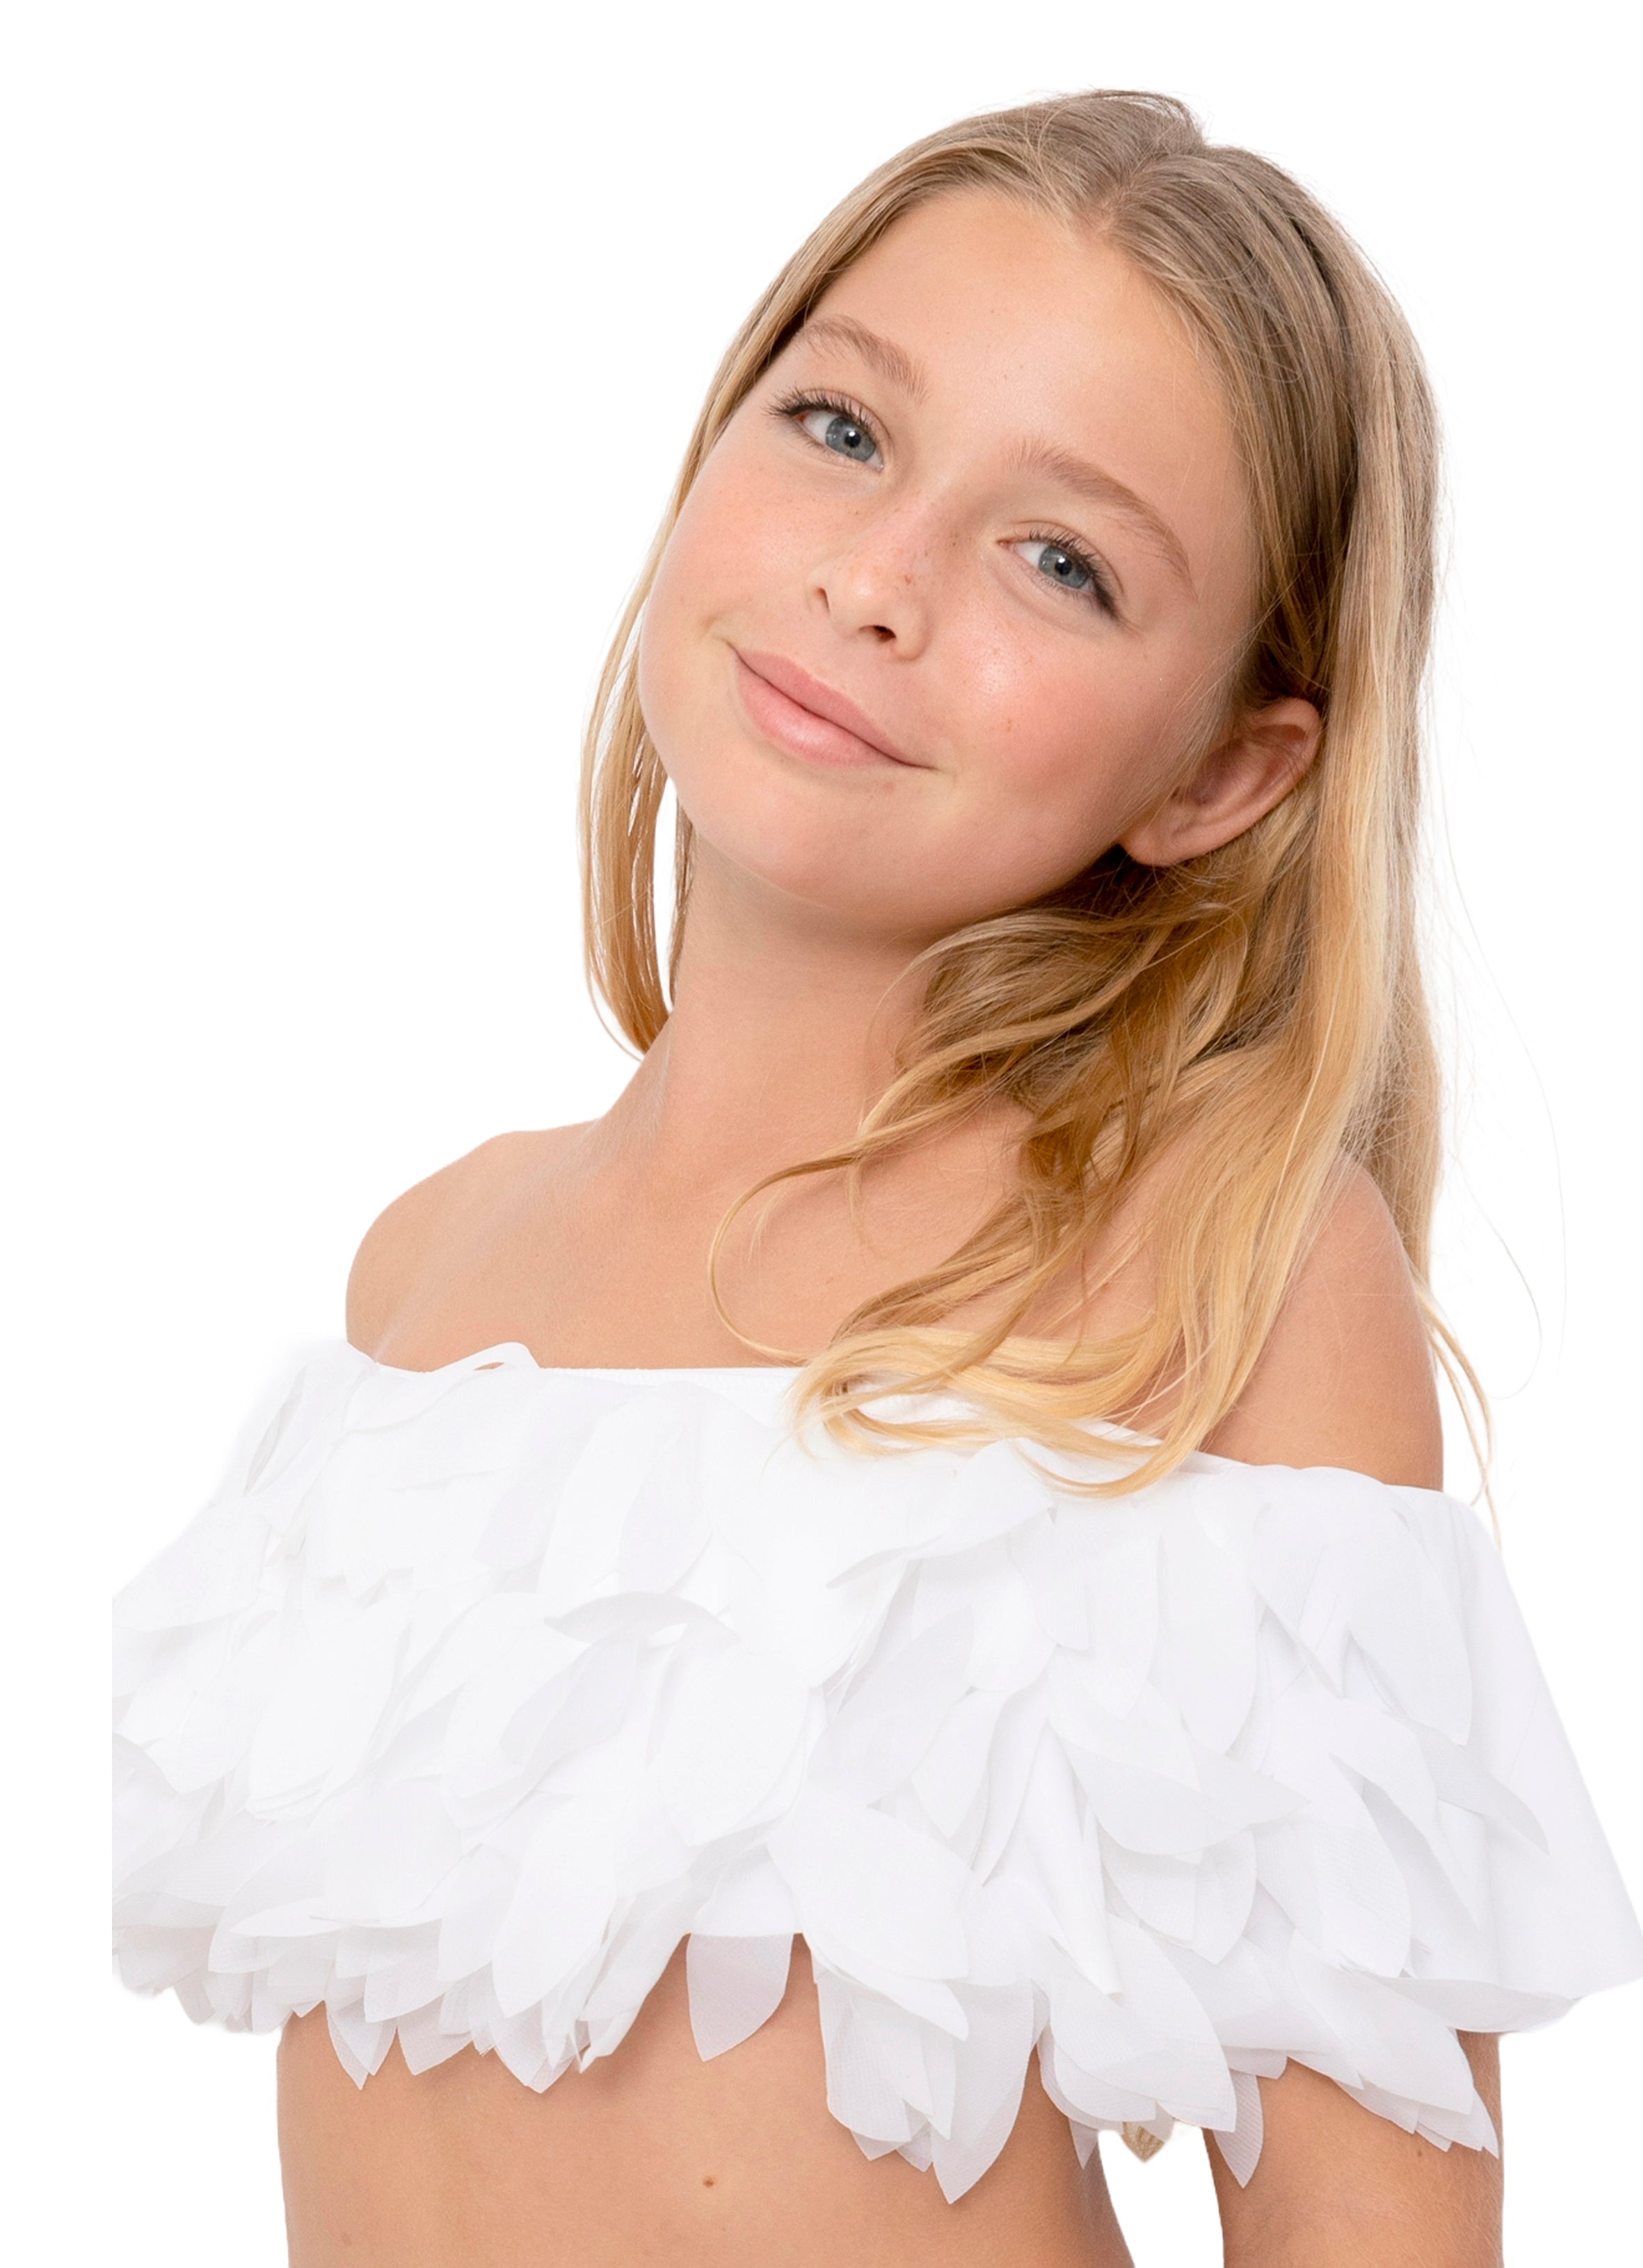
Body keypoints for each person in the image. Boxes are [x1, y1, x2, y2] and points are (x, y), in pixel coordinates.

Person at [113, 88, 1643, 2267]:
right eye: (840, 428)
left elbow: (1369, 2235)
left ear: (1222, 769)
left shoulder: (1215, 1276)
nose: (874, 580)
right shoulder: (425, 1272)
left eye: (1063, 560)